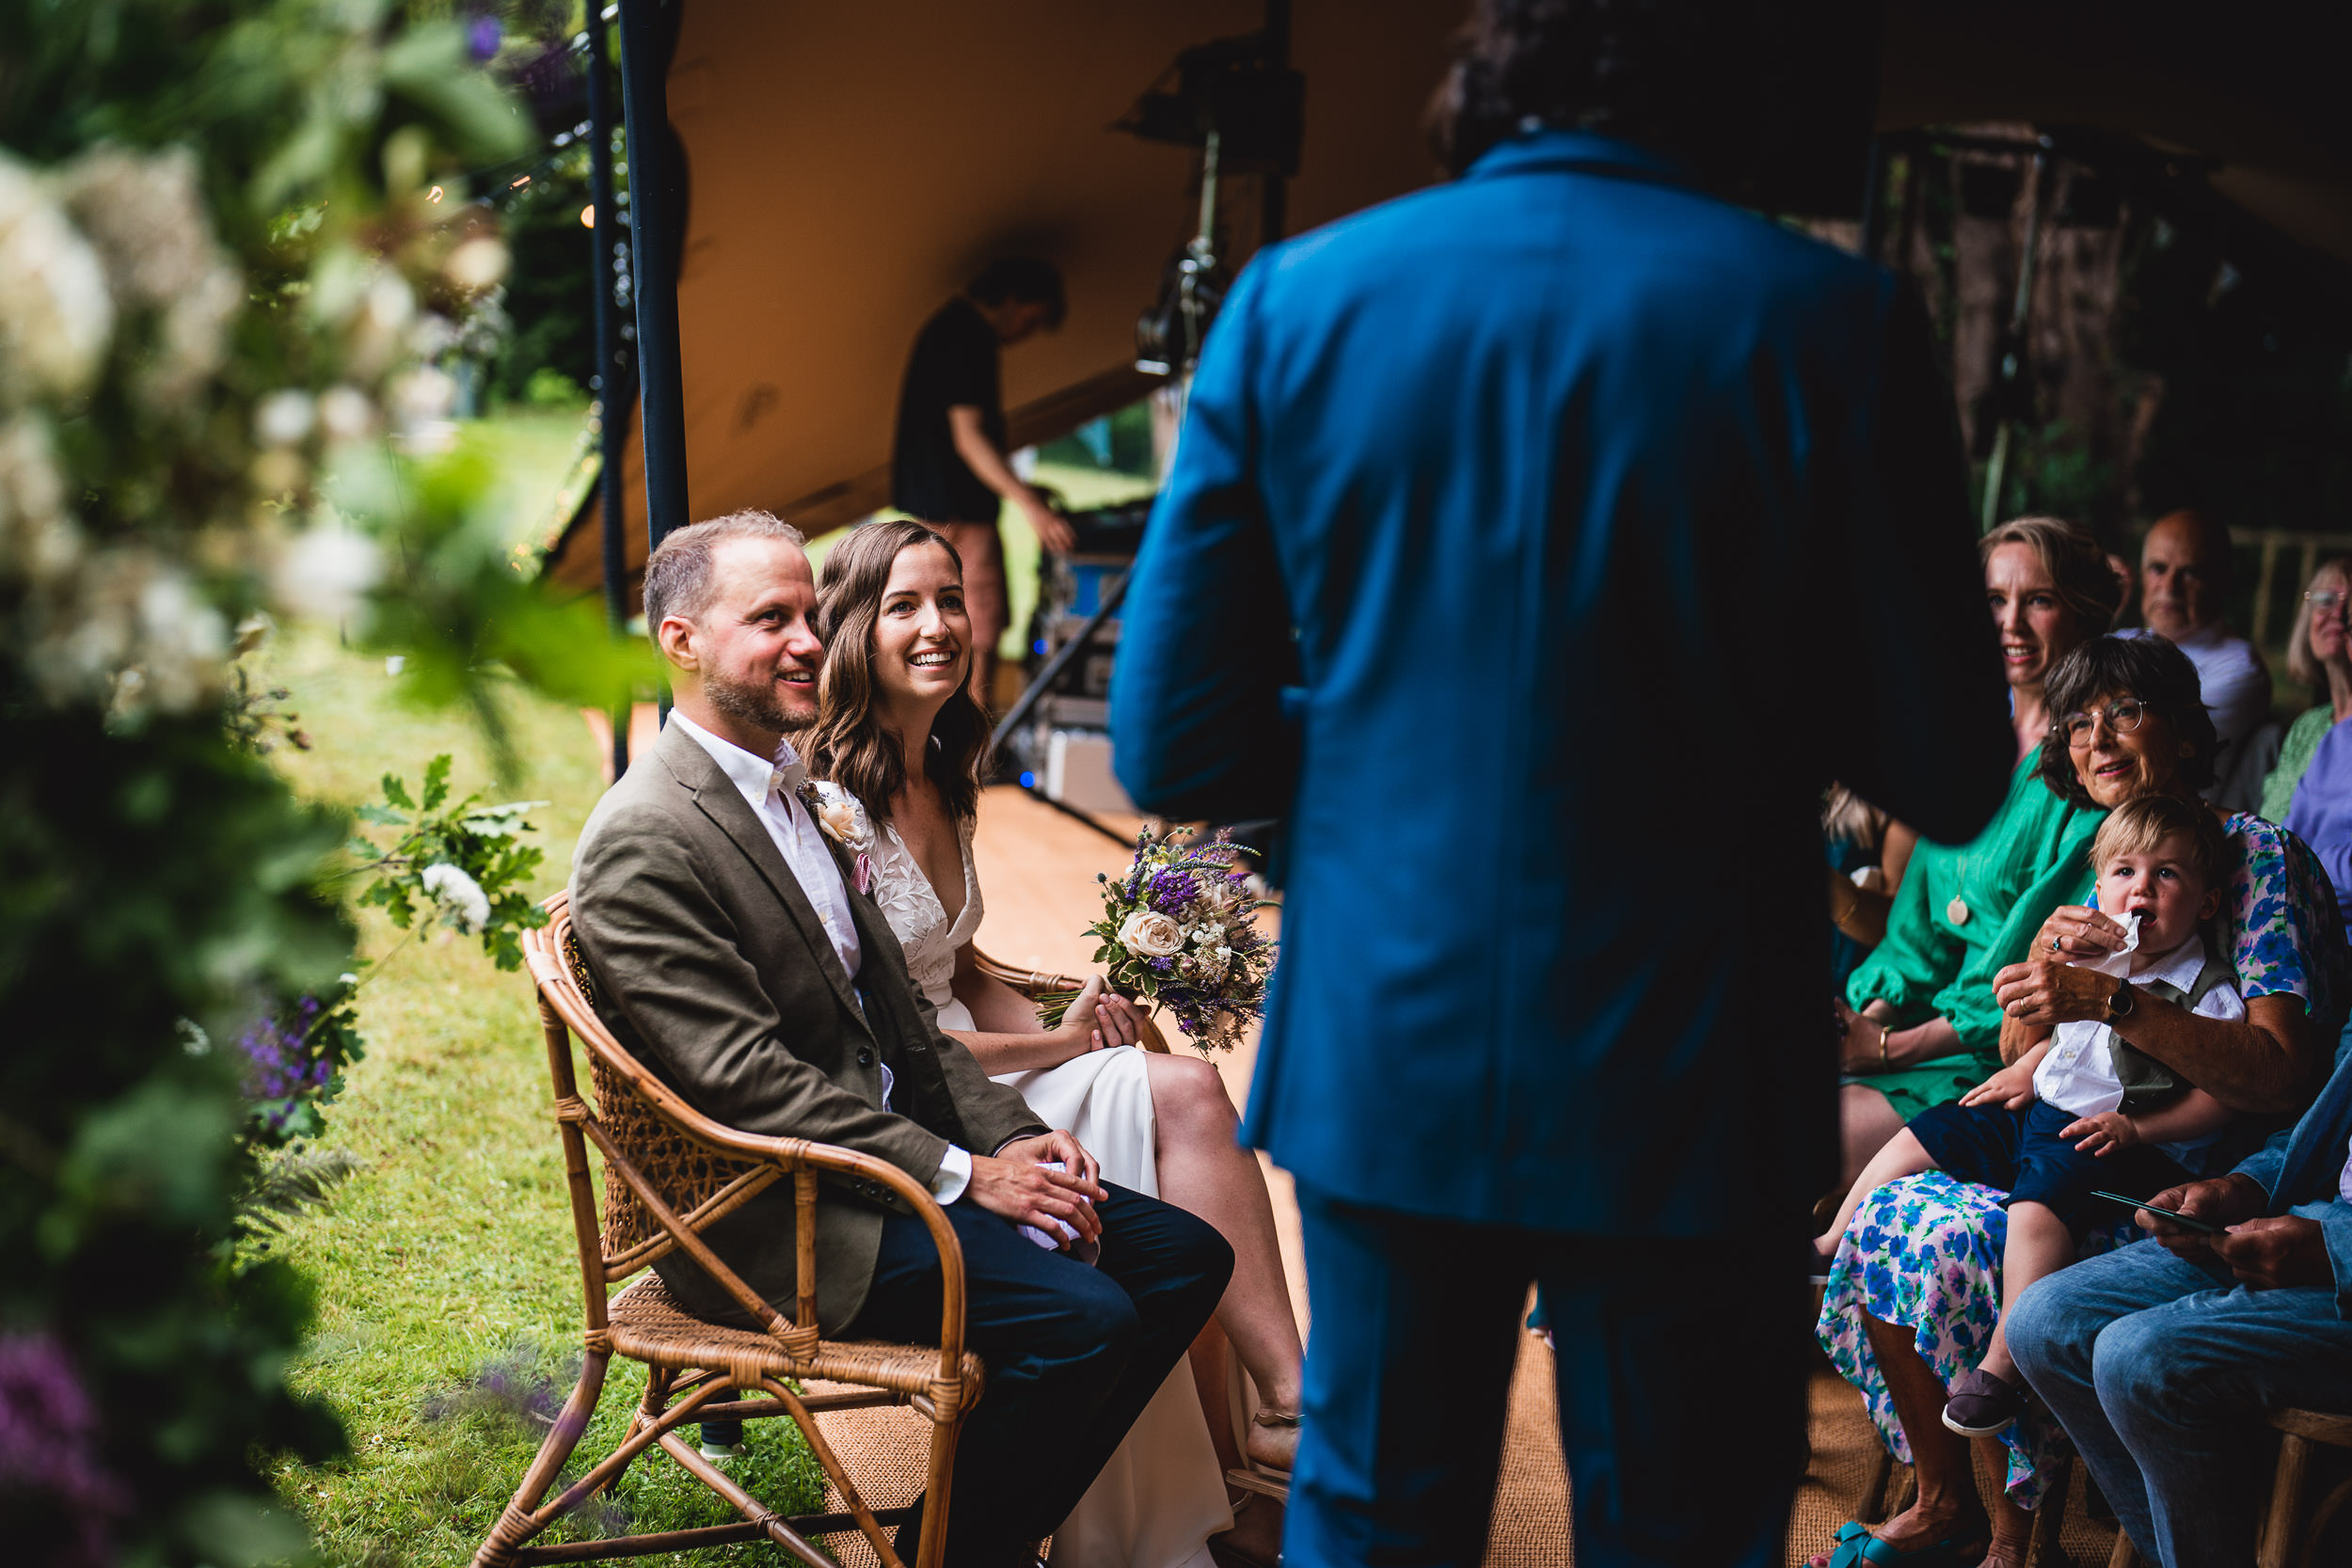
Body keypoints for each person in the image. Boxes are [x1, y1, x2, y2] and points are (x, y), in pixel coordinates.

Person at [1107, 2, 2017, 1560]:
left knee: (1379, 1510)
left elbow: (1175, 741)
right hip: (1699, 1054)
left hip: (1398, 1034)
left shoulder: (1300, 301)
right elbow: (1946, 763)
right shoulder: (1832, 320)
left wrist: (1398, 748)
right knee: (1678, 1526)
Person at [568, 510, 1233, 1568]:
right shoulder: (647, 835)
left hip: (874, 1168)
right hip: (779, 1216)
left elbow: (905, 1027)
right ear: (681, 640)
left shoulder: (797, 792)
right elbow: (746, 1083)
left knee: (1185, 1255)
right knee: (1087, 1320)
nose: (802, 640)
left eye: (809, 613)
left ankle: (953, 1535)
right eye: (769, 618)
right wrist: (970, 1174)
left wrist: (1015, 1137)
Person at [799, 517, 1309, 1568]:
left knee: (1171, 1091)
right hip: (908, 1106)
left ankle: (1249, 1453)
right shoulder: (827, 807)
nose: (939, 624)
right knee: (1184, 1101)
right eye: (904, 605)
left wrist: (1068, 1028)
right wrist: (1055, 1052)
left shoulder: (943, 767)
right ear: (852, 627)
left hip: (983, 1067)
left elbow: (963, 961)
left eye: (950, 599)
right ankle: (1285, 1418)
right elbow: (876, 1046)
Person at [1810, 634, 2345, 1568]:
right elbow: (2032, 1054)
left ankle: (2016, 1535)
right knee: (1897, 1206)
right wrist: (2050, 997)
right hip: (2070, 1133)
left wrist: (2114, 998)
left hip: (2196, 1168)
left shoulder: (2249, 856)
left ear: (2181, 730)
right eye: (2078, 721)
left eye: (2123, 713)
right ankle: (1952, 1502)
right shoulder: (2094, 857)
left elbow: (2279, 1074)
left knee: (1956, 1233)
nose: (2097, 737)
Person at [1814, 795, 2242, 1441]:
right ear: (2099, 888)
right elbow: (2067, 1041)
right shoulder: (2097, 960)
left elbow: (2220, 1093)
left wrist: (2140, 1130)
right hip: (2043, 1108)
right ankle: (1828, 1242)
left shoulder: (2205, 990)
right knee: (1936, 1125)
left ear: (2207, 903)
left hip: (2114, 1141)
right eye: (2124, 872)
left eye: (2167, 875)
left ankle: (2002, 1362)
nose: (2141, 890)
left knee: (2037, 1198)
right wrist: (2023, 1067)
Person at [1836, 515, 2122, 1185]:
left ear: (2081, 613)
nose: (2012, 623)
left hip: (1995, 1054)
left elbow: (2015, 973)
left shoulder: (2089, 766)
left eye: (2039, 600)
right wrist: (1862, 1025)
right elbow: (1913, 936)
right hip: (1904, 1033)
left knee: (1801, 1139)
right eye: (1995, 599)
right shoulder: (1966, 742)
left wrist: (1884, 1048)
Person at [2006, 1033, 2352, 1568]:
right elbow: (2322, 1124)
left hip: (2338, 1248)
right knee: (2043, 1320)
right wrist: (2238, 1188)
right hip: (2317, 1215)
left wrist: (2335, 1250)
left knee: (2138, 1358)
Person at [891, 256, 1075, 709]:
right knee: (978, 625)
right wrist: (1029, 503)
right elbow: (968, 437)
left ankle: (948, 741)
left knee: (943, 623)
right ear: (1012, 302)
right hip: (958, 513)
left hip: (941, 504)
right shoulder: (966, 338)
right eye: (1030, 320)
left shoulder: (949, 330)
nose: (1025, 333)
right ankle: (969, 752)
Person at [2122, 509, 2273, 812]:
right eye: (2158, 568)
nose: (2169, 587)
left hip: (2167, 827)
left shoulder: (2239, 668)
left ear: (2222, 583)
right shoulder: (2119, 639)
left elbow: (2143, 749)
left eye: (2190, 572)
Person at [2259, 556, 2352, 822]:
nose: (2338, 614)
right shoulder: (2307, 727)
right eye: (2325, 600)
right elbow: (2271, 822)